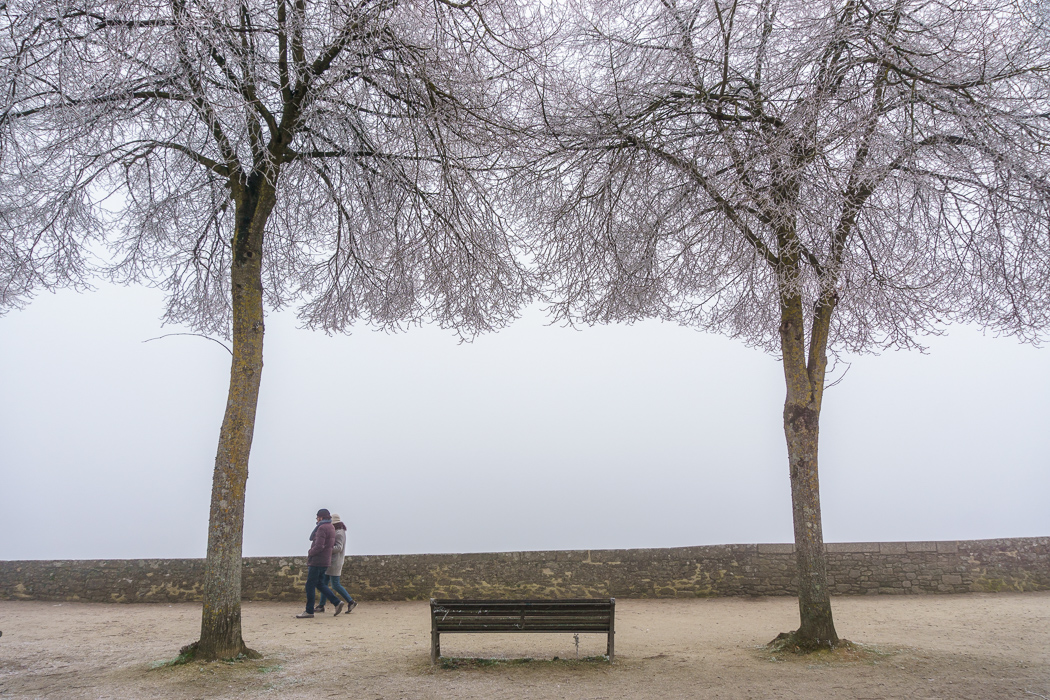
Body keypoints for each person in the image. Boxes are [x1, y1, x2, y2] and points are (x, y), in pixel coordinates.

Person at [296, 508, 344, 619]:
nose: (316, 520)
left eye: (317, 517)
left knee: (310, 585)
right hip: (325, 560)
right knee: (320, 584)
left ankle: (309, 611)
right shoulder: (331, 527)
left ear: (321, 517)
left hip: (317, 560)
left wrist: (310, 553)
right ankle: (336, 602)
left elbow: (319, 546)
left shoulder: (322, 528)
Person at [320, 513, 358, 615]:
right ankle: (321, 605)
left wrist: (326, 549)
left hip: (335, 562)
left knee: (335, 584)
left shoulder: (339, 533)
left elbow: (339, 548)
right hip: (331, 561)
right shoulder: (338, 531)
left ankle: (351, 601)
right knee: (323, 584)